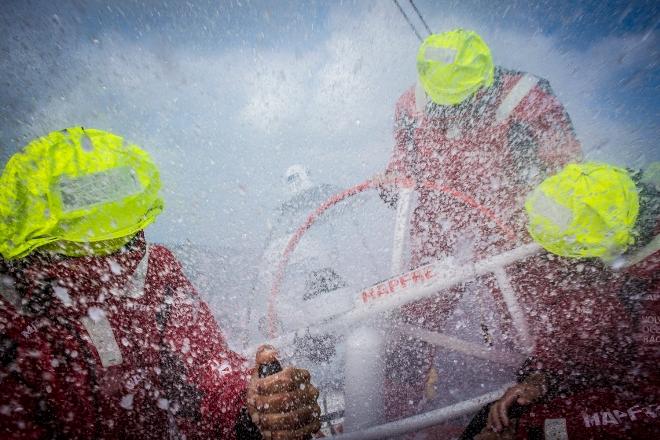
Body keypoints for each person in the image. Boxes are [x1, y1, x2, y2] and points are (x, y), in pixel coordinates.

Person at [0, 127, 321, 439]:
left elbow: (206, 365)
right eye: (92, 248)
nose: (119, 265)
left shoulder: (156, 271)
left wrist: (252, 407)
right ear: (36, 255)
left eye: (128, 239)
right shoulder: (12, 325)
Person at [379, 28, 583, 420]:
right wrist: (391, 180)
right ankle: (396, 417)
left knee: (526, 311)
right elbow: (403, 159)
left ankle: (538, 394)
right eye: (444, 105)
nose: (452, 114)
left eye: (462, 103)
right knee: (415, 308)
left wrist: (544, 194)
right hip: (438, 214)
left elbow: (569, 173)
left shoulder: (528, 102)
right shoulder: (410, 104)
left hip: (510, 215)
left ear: (485, 81)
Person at [468, 162, 659, 439]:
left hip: (632, 412)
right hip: (607, 395)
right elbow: (585, 353)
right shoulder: (614, 255)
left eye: (559, 252)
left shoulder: (646, 292)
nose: (552, 260)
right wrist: (539, 380)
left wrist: (535, 429)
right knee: (492, 418)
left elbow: (650, 406)